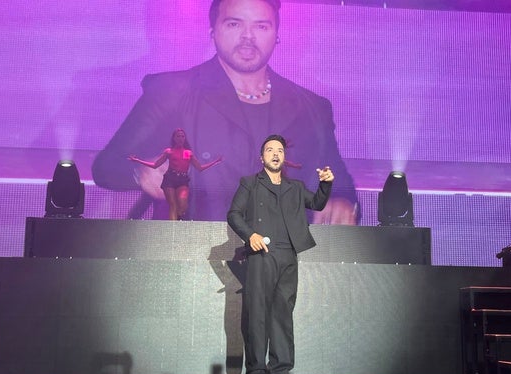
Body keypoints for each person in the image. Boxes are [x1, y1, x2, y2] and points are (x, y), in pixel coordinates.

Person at [92, 0, 359, 223]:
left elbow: (338, 180)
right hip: (191, 260)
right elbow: (107, 166)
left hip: (281, 265)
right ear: (213, 31)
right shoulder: (172, 91)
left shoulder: (311, 107)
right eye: (234, 24)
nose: (248, 37)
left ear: (277, 34)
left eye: (261, 26)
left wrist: (341, 202)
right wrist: (141, 172)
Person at [227, 134, 333, 374]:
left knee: (282, 314)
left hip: (288, 256)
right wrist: (249, 235)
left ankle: (280, 372)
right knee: (258, 314)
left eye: (280, 151)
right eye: (270, 150)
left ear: (284, 157)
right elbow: (234, 214)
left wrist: (325, 183)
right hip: (262, 254)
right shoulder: (250, 183)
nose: (275, 154)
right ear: (261, 157)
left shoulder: (294, 187)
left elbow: (317, 203)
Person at [128, 128, 222, 220]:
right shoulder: (168, 152)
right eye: (178, 136)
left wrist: (215, 162)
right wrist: (139, 164)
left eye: (182, 136)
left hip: (183, 182)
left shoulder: (188, 153)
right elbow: (155, 165)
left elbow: (199, 167)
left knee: (183, 205)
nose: (180, 139)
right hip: (169, 181)